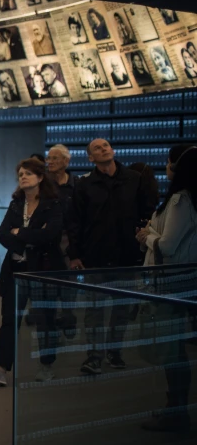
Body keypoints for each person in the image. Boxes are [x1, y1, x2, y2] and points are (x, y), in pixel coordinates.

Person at [68, 139, 154, 374]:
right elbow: (74, 221)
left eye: (106, 145)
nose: (104, 148)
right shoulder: (84, 185)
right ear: (90, 158)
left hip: (127, 255)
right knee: (94, 309)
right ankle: (94, 356)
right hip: (95, 255)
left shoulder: (134, 179)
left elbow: (147, 212)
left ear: (113, 151)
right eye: (97, 148)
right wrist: (74, 254)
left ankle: (114, 351)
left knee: (122, 308)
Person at [0, 159, 64, 386]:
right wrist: (29, 237)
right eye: (20, 174)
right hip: (15, 269)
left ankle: (47, 365)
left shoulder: (52, 204)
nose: (23, 177)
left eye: (28, 173)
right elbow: (2, 233)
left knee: (45, 319)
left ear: (40, 177)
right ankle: (0, 368)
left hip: (41, 270)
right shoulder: (16, 204)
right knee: (9, 321)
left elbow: (51, 236)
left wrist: (20, 233)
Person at [135, 145, 196, 432]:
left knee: (173, 353)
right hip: (186, 279)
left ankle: (176, 412)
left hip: (173, 282)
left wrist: (147, 235)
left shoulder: (180, 201)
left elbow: (168, 245)